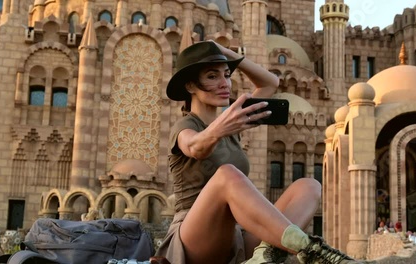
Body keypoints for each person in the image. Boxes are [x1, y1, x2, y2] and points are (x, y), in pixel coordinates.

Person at [155, 41, 361, 264]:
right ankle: (310, 249)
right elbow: (195, 146)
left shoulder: (232, 119)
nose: (225, 83)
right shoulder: (187, 125)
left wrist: (226, 53)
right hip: (194, 237)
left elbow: (270, 83)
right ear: (190, 86)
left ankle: (267, 254)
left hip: (234, 236)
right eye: (212, 77)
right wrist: (219, 130)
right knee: (226, 174)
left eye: (227, 75)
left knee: (309, 186)